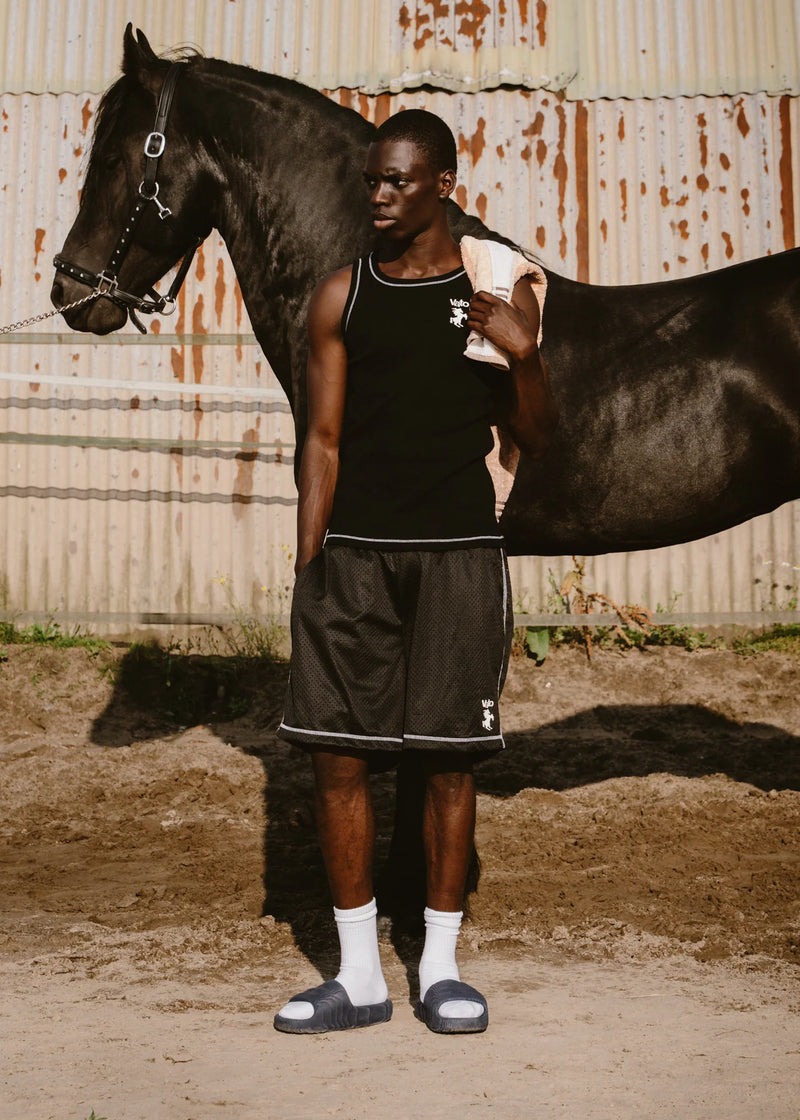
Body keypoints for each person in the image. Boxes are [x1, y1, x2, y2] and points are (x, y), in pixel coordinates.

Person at [274, 108, 558, 1035]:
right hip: (351, 557)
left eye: (399, 180)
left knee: (447, 763)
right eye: (371, 180)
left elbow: (537, 440)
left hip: (457, 556)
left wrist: (525, 360)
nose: (380, 195)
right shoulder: (339, 297)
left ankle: (439, 968)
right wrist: (309, 557)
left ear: (444, 185)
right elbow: (318, 440)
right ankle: (358, 977)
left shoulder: (489, 297)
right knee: (337, 759)